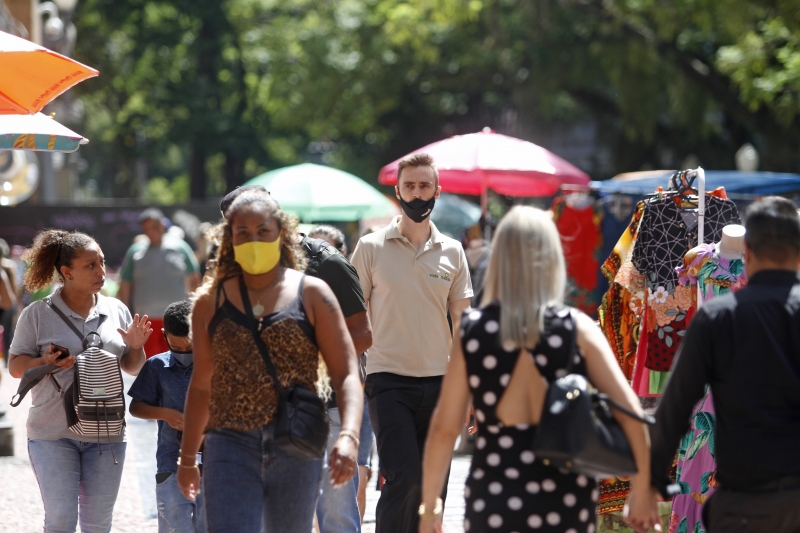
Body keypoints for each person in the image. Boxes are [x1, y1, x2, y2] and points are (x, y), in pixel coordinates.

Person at [418, 206, 659, 533]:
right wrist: (642, 489)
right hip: (566, 500)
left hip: (495, 498)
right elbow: (632, 413)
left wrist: (430, 506)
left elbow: (445, 428)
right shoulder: (578, 330)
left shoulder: (472, 331)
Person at [177, 190, 364, 533]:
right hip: (229, 443)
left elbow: (347, 372)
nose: (253, 240)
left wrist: (350, 436)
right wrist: (188, 458)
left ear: (281, 232)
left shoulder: (314, 294)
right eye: (242, 233)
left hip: (297, 442)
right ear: (229, 240)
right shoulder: (209, 303)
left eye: (263, 230)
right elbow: (202, 384)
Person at [641, 196, 800, 532]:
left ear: (749, 253)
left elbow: (676, 406)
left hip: (742, 503)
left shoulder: (717, 318)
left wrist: (650, 481)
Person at [350, 153, 473, 533]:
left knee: (433, 487)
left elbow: (464, 325)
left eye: (424, 186)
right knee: (402, 478)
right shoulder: (370, 248)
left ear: (437, 190)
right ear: (397, 191)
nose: (417, 194)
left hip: (442, 383)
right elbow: (353, 319)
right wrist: (354, 377)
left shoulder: (453, 251)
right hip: (388, 381)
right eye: (409, 186)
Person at [7, 229, 151, 533]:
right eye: (90, 265)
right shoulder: (37, 314)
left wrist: (136, 346)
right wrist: (43, 361)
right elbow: (16, 366)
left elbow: (133, 368)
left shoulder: (116, 310)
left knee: (98, 525)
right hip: (52, 433)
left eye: (101, 263)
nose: (101, 271)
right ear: (66, 272)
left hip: (107, 431)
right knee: (60, 520)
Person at [307, 224, 374, 532]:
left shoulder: (326, 264)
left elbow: (361, 336)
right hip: (263, 412)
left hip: (327, 405)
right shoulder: (230, 272)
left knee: (336, 513)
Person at [128, 300, 206, 533]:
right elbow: (136, 407)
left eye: (190, 349)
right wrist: (164, 414)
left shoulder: (215, 366)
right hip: (170, 463)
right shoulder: (156, 366)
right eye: (177, 348)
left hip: (213, 467)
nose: (184, 354)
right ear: (165, 336)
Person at [117, 207, 201, 358]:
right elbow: (125, 285)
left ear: (162, 225)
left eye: (154, 227)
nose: (151, 231)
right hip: (145, 321)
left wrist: (197, 311)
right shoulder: (135, 252)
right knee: (150, 363)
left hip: (176, 319)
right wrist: (124, 316)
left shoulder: (180, 247)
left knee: (179, 360)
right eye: (146, 228)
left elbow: (194, 279)